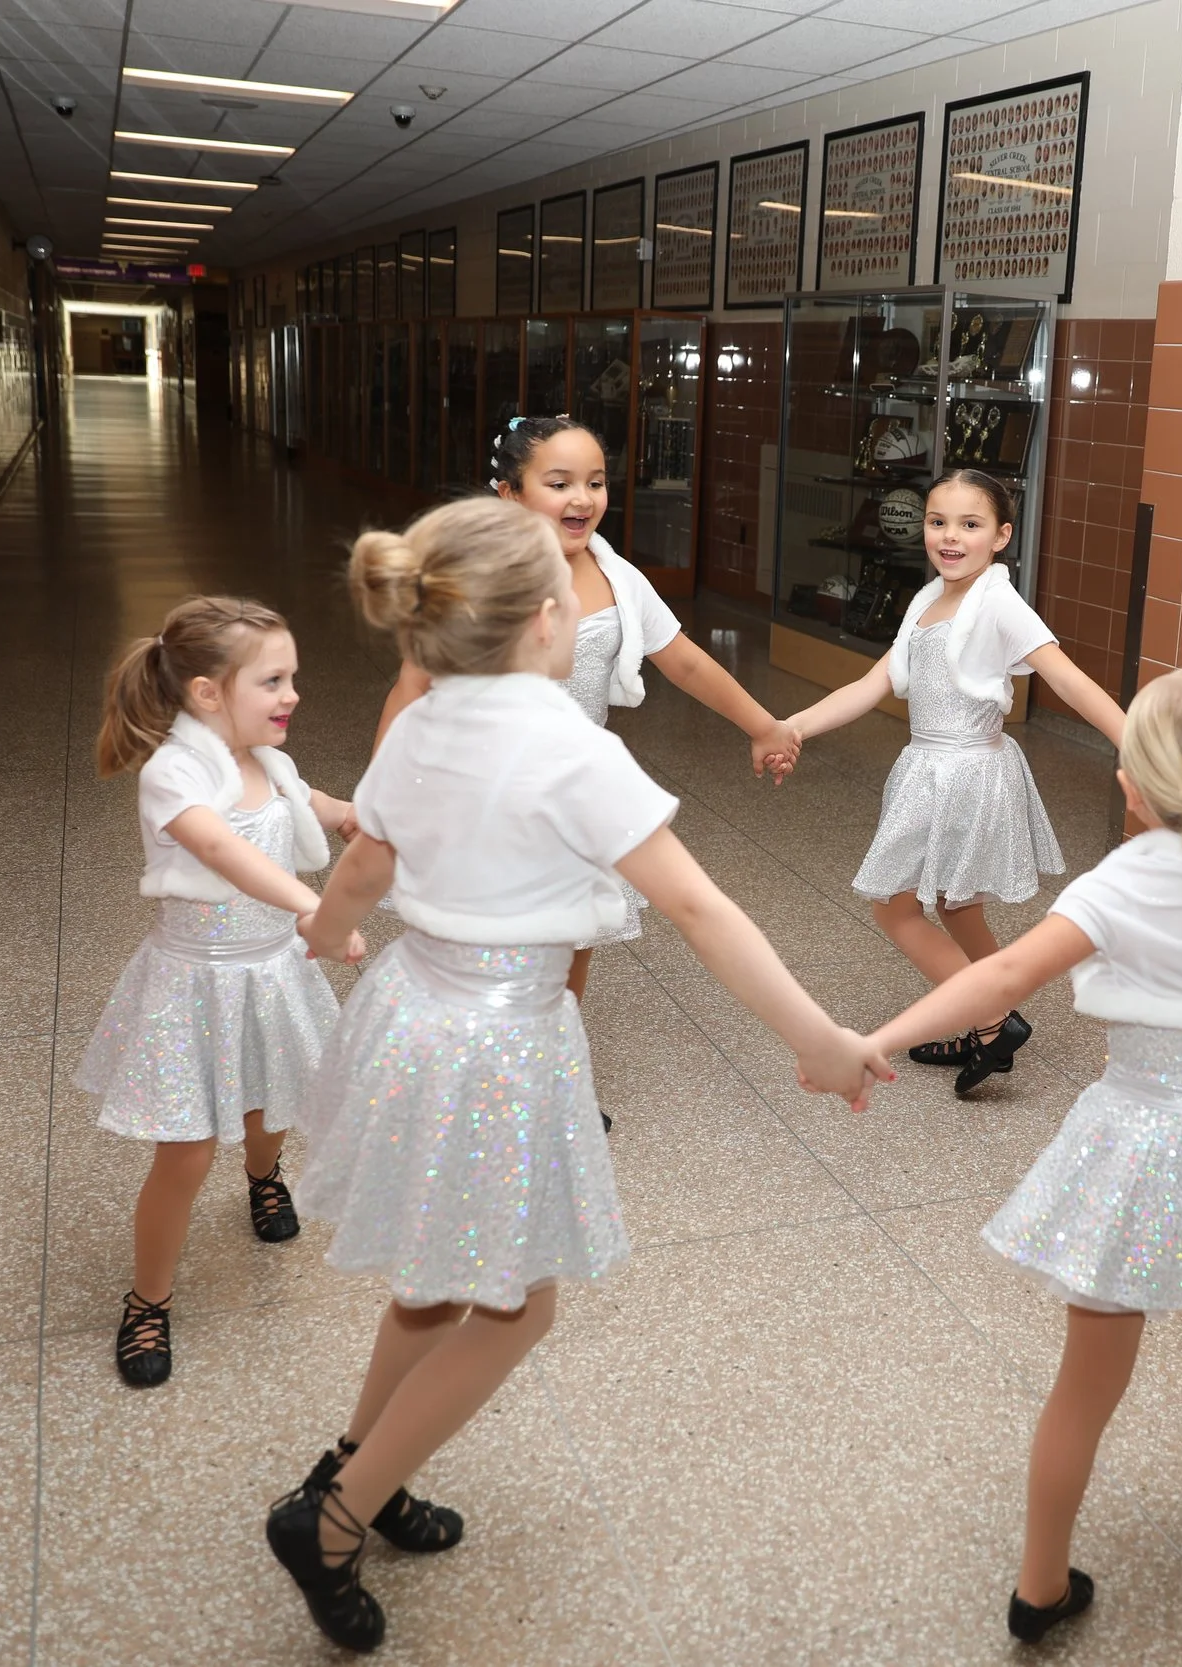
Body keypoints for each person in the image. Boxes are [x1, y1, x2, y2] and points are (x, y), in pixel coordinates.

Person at [267, 497, 891, 1653]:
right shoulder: (571, 747)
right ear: (550, 621)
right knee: (514, 1304)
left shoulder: (417, 724)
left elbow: (361, 865)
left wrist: (319, 935)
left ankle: (362, 1465)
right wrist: (818, 1037)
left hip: (416, 1014)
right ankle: (335, 1515)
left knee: (433, 1280)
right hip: (501, 1044)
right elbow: (700, 906)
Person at [864, 667, 1182, 1646]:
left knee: (1084, 1380)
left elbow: (1004, 973)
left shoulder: (1116, 885)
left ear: (1129, 787)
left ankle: (1040, 1583)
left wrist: (876, 1041)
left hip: (1130, 1143)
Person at [374, 418, 803, 1028]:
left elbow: (682, 660)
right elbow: (412, 687)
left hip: (574, 790)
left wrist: (763, 726)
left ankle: (555, 1066)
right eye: (559, 482)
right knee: (488, 937)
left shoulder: (617, 578)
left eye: (596, 482)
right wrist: (382, 794)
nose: (583, 498)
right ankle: (484, 1062)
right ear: (509, 494)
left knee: (574, 935)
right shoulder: (469, 582)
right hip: (485, 788)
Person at [77, 597, 360, 1388]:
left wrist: (357, 819)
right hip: (195, 985)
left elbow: (317, 809)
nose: (292, 693)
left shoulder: (269, 763)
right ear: (207, 693)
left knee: (271, 1108)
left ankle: (264, 1177)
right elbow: (223, 851)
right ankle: (148, 1300)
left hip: (271, 974)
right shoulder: (176, 772)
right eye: (273, 680)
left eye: (292, 677)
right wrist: (317, 906)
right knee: (188, 1150)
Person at [774, 470, 1126, 1096]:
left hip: (966, 772)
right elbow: (870, 685)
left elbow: (1067, 680)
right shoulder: (928, 601)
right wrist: (792, 727)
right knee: (958, 906)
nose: (950, 537)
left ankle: (990, 1019)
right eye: (938, 522)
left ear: (1001, 536)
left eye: (970, 525)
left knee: (897, 906)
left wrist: (1138, 744)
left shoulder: (997, 603)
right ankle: (988, 1015)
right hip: (930, 769)